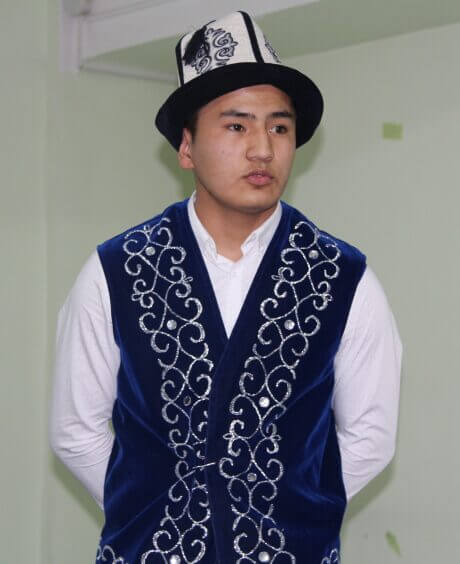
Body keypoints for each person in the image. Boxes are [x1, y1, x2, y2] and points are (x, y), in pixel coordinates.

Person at [50, 11, 402, 564]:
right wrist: (155, 508)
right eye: (237, 126)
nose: (262, 149)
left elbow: (370, 437)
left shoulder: (342, 277)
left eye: (279, 127)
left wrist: (282, 513)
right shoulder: (116, 270)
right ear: (187, 147)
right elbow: (76, 429)